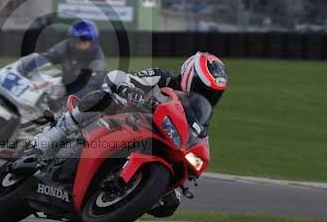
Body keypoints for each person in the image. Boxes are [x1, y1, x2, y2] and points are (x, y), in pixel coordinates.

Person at [30, 51, 228, 159]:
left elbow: (199, 144)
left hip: (150, 143)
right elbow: (121, 78)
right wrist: (129, 89)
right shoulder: (162, 78)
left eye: (211, 94)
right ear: (189, 76)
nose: (204, 96)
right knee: (106, 97)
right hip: (122, 121)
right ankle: (56, 131)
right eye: (202, 88)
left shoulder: (198, 117)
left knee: (170, 203)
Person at [40, 19, 106, 97]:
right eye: (78, 41)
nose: (80, 45)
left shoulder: (97, 59)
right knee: (46, 76)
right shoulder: (66, 47)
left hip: (88, 96)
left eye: (85, 42)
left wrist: (64, 96)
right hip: (66, 82)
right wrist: (27, 65)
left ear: (92, 42)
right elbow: (46, 57)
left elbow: (90, 85)